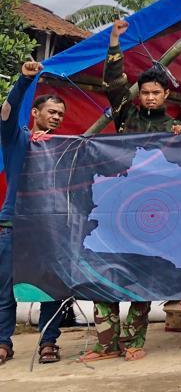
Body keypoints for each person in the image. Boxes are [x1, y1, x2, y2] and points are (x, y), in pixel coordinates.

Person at [76, 20, 181, 362]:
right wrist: (114, 41)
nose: (150, 97)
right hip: (114, 207)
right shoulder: (126, 116)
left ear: (166, 95)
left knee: (142, 274)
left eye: (156, 92)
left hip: (153, 213)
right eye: (146, 92)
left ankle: (135, 341)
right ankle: (106, 343)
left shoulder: (175, 127)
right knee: (104, 271)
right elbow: (114, 83)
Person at [1, 61, 71, 365]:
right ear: (35, 113)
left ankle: (48, 341)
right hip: (12, 224)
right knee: (5, 287)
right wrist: (23, 81)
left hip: (48, 226)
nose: (56, 117)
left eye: (60, 115)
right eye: (51, 112)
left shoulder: (63, 148)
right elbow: (6, 114)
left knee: (50, 285)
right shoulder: (16, 139)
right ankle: (3, 343)